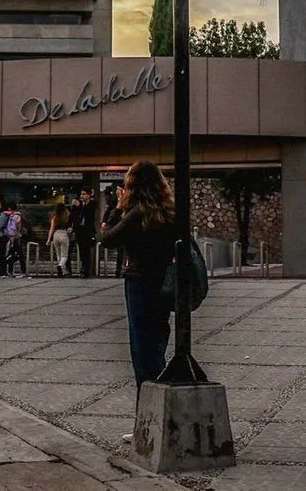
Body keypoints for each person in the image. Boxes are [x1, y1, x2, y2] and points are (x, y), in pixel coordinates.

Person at [99, 161, 176, 444]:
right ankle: (162, 419)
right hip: (163, 287)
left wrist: (116, 208)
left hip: (139, 285)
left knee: (142, 356)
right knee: (157, 350)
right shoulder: (168, 214)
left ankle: (148, 424)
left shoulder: (135, 216)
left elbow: (106, 238)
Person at [70, 188, 98, 279]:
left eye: (84, 194)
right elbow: (73, 216)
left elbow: (89, 215)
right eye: (81, 194)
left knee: (87, 250)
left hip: (88, 230)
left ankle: (86, 269)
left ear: (89, 195)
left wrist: (81, 206)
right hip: (80, 230)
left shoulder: (92, 204)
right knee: (82, 250)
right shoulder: (78, 204)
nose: (82, 196)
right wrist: (71, 227)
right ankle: (83, 268)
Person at [101, 184, 126, 277]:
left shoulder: (129, 201)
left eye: (119, 190)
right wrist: (104, 221)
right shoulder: (115, 201)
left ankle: (121, 268)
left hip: (124, 227)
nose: (117, 192)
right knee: (120, 250)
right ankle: (118, 270)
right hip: (118, 227)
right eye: (117, 190)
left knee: (123, 250)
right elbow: (109, 211)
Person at [48, 202, 71, 278]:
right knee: (64, 255)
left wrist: (48, 240)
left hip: (56, 235)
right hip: (64, 234)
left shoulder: (55, 217)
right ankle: (60, 266)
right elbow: (70, 225)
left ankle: (62, 271)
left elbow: (51, 229)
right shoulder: (67, 215)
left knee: (58, 254)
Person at [6, 201, 28, 279]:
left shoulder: (14, 216)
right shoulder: (16, 216)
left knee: (16, 255)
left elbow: (16, 228)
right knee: (15, 254)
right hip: (16, 237)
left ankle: (13, 271)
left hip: (15, 237)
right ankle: (17, 271)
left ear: (9, 208)